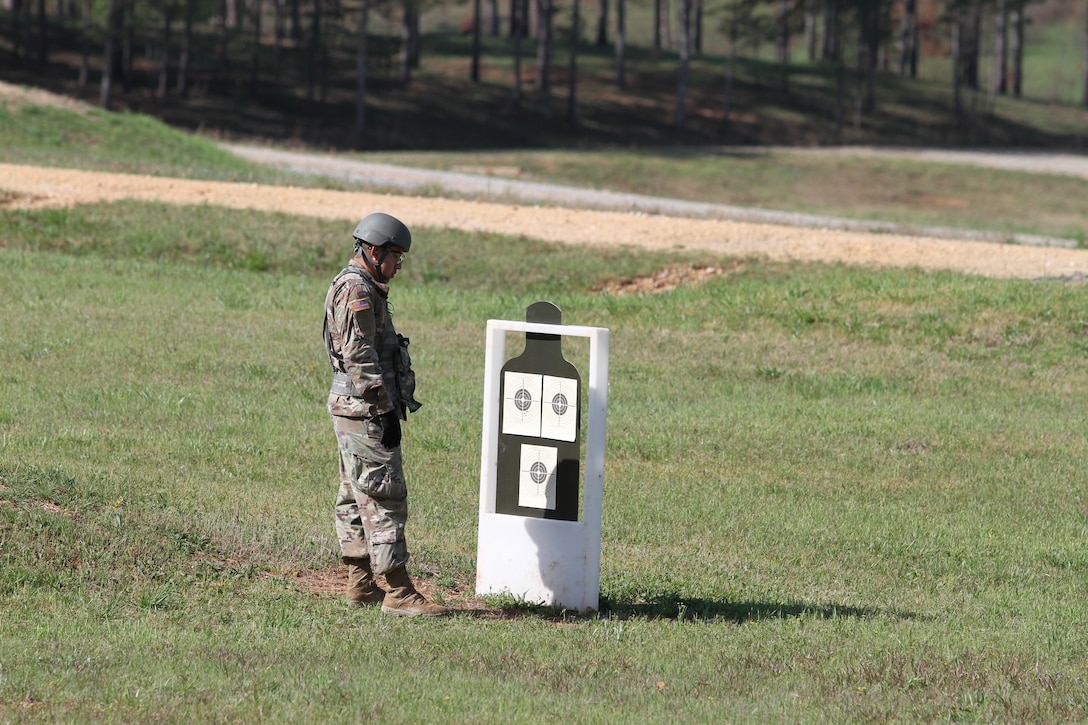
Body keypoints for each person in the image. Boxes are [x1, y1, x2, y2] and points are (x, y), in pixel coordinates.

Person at [322, 212, 448, 617]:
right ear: (374, 251)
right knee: (384, 495)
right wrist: (384, 408)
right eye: (396, 256)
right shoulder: (356, 291)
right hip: (365, 409)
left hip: (354, 407)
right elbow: (358, 355)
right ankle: (398, 591)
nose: (398, 265)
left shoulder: (361, 285)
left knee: (355, 495)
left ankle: (360, 584)